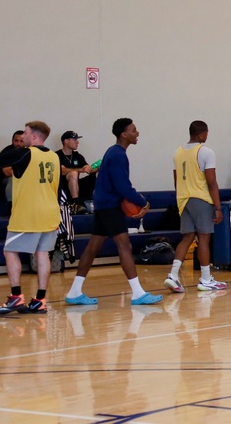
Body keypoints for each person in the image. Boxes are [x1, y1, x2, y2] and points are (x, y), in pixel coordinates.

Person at [0, 122, 62, 314]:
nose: (22, 136)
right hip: (50, 213)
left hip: (28, 214)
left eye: (25, 133)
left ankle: (16, 297)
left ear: (34, 136)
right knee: (42, 254)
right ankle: (40, 300)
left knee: (10, 252)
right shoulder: (54, 157)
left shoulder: (25, 153)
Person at [64, 118, 163, 306]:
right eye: (134, 130)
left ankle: (75, 291)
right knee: (124, 247)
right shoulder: (118, 155)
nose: (137, 133)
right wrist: (143, 202)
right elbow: (123, 186)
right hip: (110, 206)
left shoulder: (112, 151)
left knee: (93, 248)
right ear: (124, 134)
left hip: (102, 204)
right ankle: (137, 293)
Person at [164, 120, 225, 293]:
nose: (207, 136)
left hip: (183, 199)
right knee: (204, 238)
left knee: (187, 237)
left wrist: (182, 198)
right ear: (200, 134)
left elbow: (176, 181)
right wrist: (218, 207)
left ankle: (173, 275)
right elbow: (211, 182)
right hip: (201, 198)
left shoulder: (178, 152)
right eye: (206, 133)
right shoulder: (206, 152)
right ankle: (205, 279)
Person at [56, 130, 98, 211]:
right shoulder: (57, 155)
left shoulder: (77, 156)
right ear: (66, 141)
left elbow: (87, 168)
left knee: (98, 174)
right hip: (62, 187)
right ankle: (75, 203)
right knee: (73, 173)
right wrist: (81, 169)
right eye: (74, 140)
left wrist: (99, 167)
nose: (77, 142)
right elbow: (62, 171)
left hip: (77, 184)